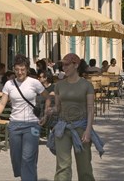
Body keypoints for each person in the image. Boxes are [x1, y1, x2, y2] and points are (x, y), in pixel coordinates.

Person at [47, 53, 104, 181]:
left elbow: (91, 109)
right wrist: (50, 111)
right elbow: (58, 107)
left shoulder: (86, 85)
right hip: (63, 128)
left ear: (76, 65)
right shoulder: (59, 85)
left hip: (81, 128)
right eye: (63, 65)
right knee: (63, 167)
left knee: (84, 169)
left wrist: (88, 130)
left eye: (67, 65)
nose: (64, 68)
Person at [0, 55, 46, 181]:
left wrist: (46, 113)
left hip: (32, 124)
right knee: (16, 158)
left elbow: (47, 96)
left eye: (22, 69)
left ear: (27, 69)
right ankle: (29, 176)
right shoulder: (9, 84)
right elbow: (3, 103)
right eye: (17, 69)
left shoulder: (34, 83)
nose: (19, 72)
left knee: (28, 157)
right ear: (14, 69)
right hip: (15, 125)